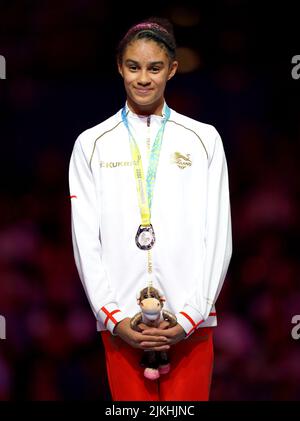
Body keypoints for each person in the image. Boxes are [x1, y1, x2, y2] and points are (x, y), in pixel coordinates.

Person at [68, 17, 232, 401]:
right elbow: (85, 241)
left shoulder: (204, 139)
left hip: (191, 321)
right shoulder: (90, 144)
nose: (144, 78)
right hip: (123, 323)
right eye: (134, 67)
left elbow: (219, 235)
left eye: (155, 68)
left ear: (172, 70)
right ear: (119, 67)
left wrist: (192, 314)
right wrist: (112, 316)